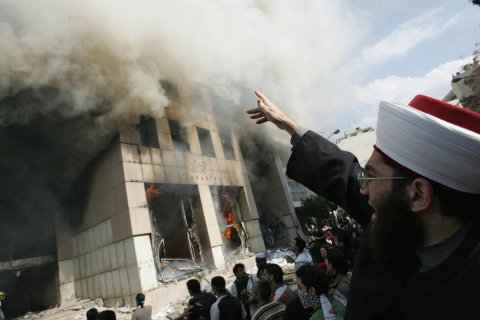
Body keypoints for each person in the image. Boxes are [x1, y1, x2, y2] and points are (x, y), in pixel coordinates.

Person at [247, 90, 480, 319]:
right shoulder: (395, 219)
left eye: (371, 176)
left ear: (418, 195)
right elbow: (343, 172)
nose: (363, 188)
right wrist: (288, 124)